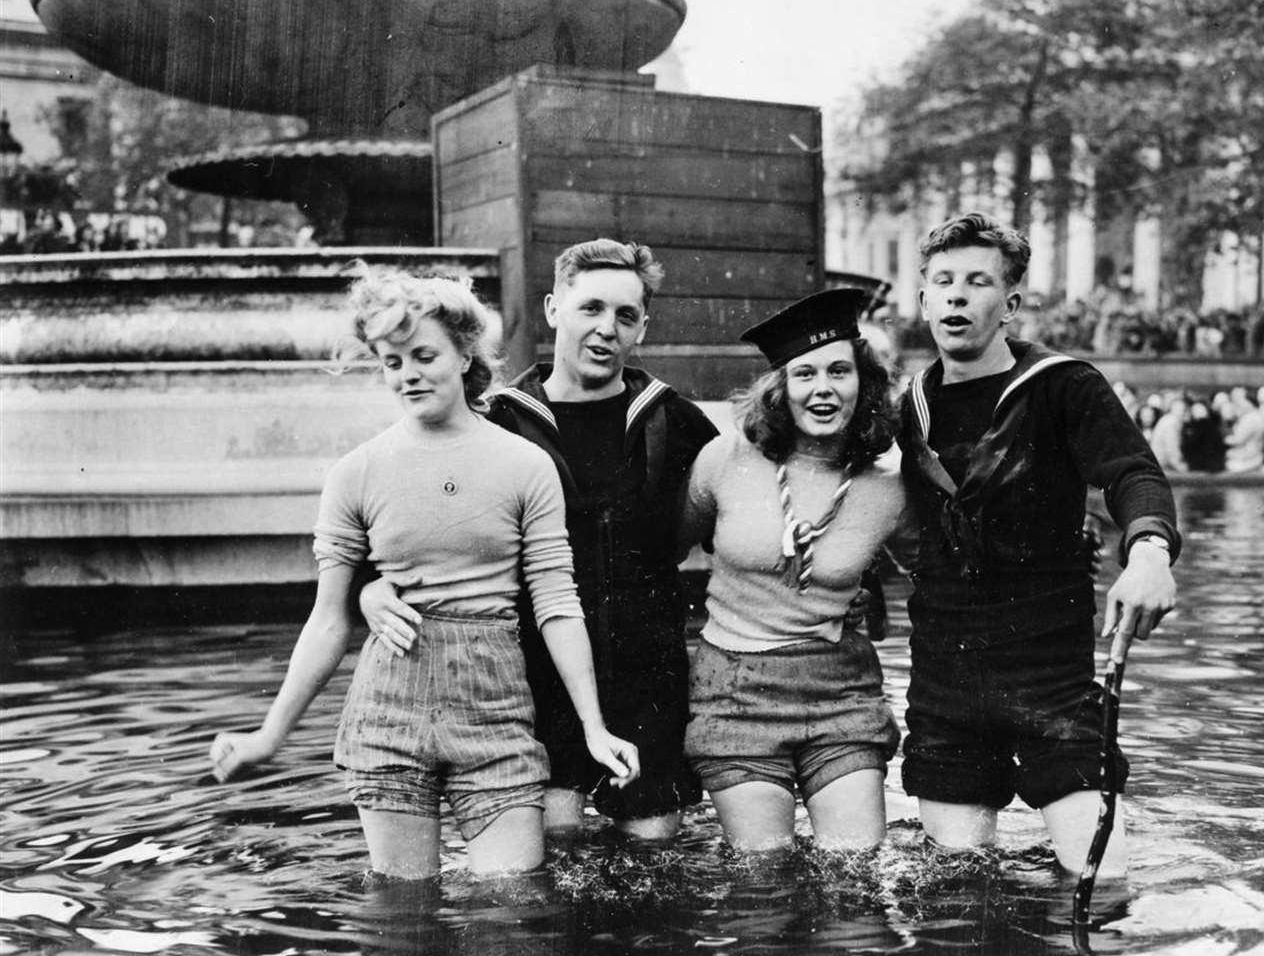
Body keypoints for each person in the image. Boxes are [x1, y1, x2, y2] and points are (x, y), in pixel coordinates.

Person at [209, 265, 638, 879]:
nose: (407, 374)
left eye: (424, 355)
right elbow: (328, 620)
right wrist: (268, 736)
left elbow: (556, 602)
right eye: (390, 361)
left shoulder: (526, 464)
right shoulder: (355, 473)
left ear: (466, 354)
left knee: (511, 909)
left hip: (495, 710)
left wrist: (594, 727)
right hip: (389, 710)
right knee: (403, 916)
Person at [362, 240, 716, 842]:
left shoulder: (672, 421)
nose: (606, 329)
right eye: (591, 309)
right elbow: (407, 520)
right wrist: (370, 591)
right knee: (554, 848)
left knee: (656, 851)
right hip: (531, 679)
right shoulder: (495, 421)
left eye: (625, 316)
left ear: (642, 328)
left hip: (647, 676)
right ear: (554, 309)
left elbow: (745, 511)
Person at [897, 213, 1179, 876]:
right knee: (954, 894)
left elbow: (1133, 475)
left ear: (1011, 304)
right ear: (925, 299)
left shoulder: (1062, 386)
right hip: (947, 673)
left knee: (1102, 884)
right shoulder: (907, 404)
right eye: (943, 281)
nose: (958, 295)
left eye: (977, 281)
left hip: (1048, 670)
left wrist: (1148, 554)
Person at [679, 288, 915, 852]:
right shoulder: (725, 460)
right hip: (736, 690)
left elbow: (936, 574)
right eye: (805, 374)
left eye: (840, 370)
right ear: (780, 388)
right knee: (763, 881)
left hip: (840, 691)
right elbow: (662, 552)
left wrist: (871, 597)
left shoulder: (890, 484)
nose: (824, 388)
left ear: (865, 382)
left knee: (854, 875)